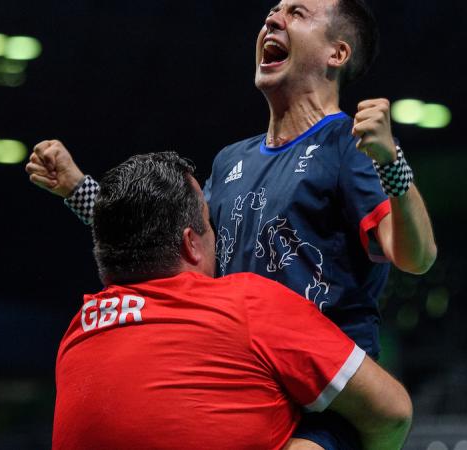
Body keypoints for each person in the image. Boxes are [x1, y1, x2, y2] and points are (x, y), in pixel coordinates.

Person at [29, 0, 435, 448]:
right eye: (273, 10)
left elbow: (415, 257)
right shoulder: (231, 161)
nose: (272, 19)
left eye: (298, 13)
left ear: (336, 54)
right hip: (241, 380)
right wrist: (80, 190)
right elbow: (169, 241)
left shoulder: (349, 143)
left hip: (324, 399)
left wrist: (391, 163)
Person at [51, 152, 412, 450]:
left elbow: (134, 231)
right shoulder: (249, 302)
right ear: (191, 242)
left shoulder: (77, 334)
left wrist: (82, 191)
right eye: (210, 225)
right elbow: (392, 412)